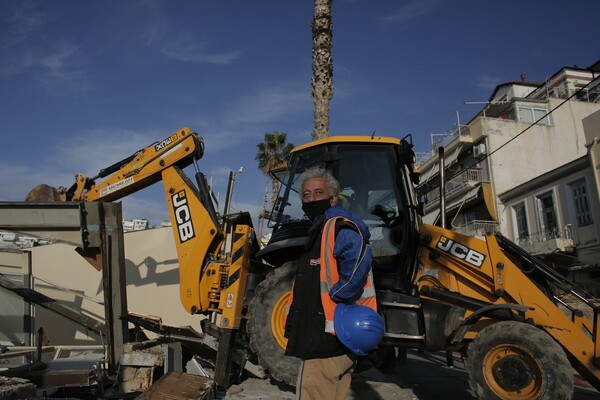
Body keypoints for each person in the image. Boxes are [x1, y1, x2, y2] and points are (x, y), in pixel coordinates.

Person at [284, 166, 378, 400]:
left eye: (318, 193)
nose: (311, 199)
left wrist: (339, 295)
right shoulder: (321, 228)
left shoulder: (338, 226)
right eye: (306, 195)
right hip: (333, 335)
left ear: (333, 197)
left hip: (326, 338)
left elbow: (357, 261)